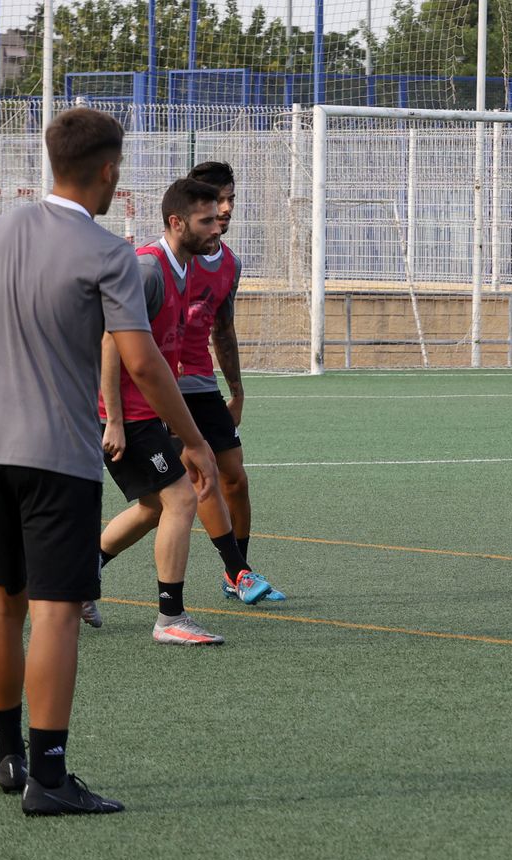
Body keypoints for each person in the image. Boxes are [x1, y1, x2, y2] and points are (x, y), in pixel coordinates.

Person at [0, 108, 217, 815]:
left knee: (1, 602)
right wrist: (192, 440)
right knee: (57, 614)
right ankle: (50, 778)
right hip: (58, 458)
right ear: (109, 171)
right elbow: (143, 363)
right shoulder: (109, 253)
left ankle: (9, 757)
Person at [95, 178, 273, 647]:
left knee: (155, 506)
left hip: (150, 410)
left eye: (219, 217)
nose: (218, 226)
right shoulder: (147, 269)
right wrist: (115, 419)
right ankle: (170, 616)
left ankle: (81, 575)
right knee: (181, 499)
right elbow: (111, 340)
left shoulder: (186, 268)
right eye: (207, 220)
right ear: (177, 222)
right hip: (128, 414)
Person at [182, 161, 286, 602]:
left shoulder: (230, 264)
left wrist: (238, 392)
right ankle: (239, 573)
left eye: (230, 200)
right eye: (216, 200)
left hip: (203, 384)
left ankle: (236, 572)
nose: (225, 209)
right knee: (193, 480)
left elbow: (222, 330)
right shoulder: (161, 259)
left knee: (235, 479)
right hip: (163, 388)